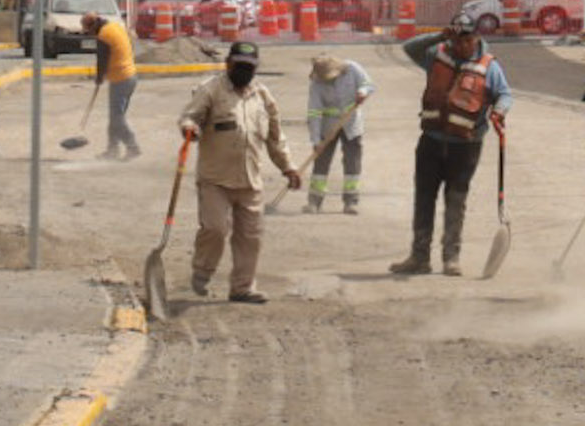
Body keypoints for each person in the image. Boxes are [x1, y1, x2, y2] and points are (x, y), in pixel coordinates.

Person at [177, 39, 301, 304]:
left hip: (250, 180)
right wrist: (190, 128)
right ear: (228, 64)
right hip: (215, 180)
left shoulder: (263, 96)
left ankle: (243, 287)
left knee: (250, 237)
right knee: (215, 229)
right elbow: (190, 116)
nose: (244, 71)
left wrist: (288, 167)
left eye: (250, 67)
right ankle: (202, 271)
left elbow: (276, 138)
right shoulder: (210, 90)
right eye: (240, 65)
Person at [390, 20, 512, 276]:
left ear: (477, 38)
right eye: (458, 40)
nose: (463, 45)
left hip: (465, 146)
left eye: (469, 40)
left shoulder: (490, 66)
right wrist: (437, 36)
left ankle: (451, 258)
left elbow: (504, 93)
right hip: (431, 141)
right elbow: (409, 48)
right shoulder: (437, 55)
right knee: (424, 200)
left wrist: (499, 111)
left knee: (456, 201)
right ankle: (419, 257)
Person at [302, 52, 374, 213]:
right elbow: (314, 112)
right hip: (327, 127)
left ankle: (351, 201)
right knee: (321, 161)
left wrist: (362, 92)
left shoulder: (353, 69)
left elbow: (369, 84)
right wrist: (315, 141)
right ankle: (314, 201)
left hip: (351, 124)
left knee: (352, 162)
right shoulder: (316, 83)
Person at [91, 8, 141, 158]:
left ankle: (132, 147)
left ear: (93, 26)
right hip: (131, 76)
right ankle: (112, 150)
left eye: (88, 31)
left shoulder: (103, 36)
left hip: (121, 79)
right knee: (115, 116)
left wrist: (99, 78)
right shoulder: (115, 26)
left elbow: (102, 60)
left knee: (116, 117)